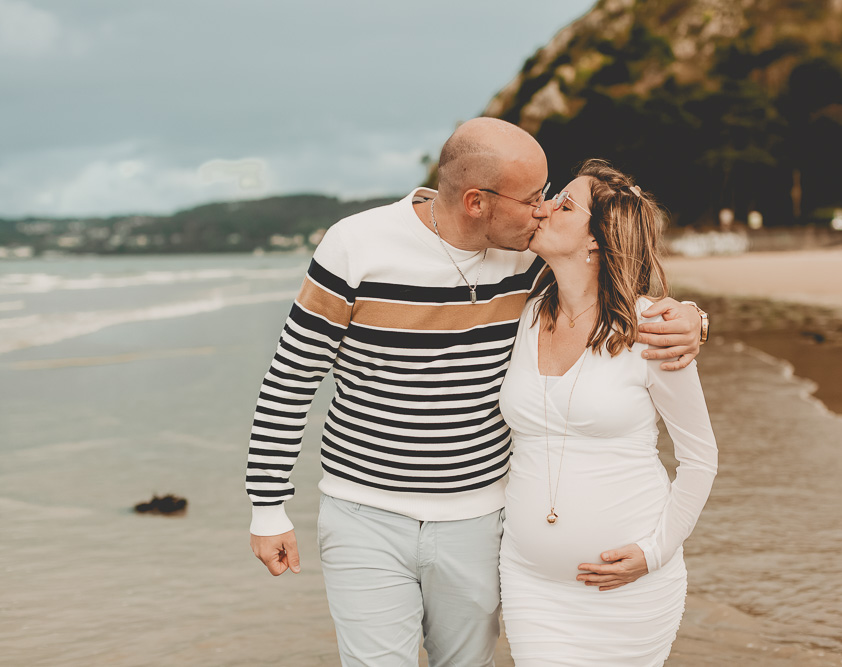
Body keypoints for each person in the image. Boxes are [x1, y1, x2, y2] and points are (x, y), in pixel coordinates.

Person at [246, 118, 707, 666]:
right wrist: (267, 506)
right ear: (476, 202)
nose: (542, 210)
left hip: (479, 521)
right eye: (534, 197)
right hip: (363, 512)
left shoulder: (526, 261)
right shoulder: (356, 245)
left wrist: (695, 321)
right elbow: (290, 380)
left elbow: (613, 281)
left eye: (551, 198)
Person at [498, 160, 718, 665]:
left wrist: (656, 551)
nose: (546, 207)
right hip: (531, 583)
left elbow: (700, 459)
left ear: (596, 241)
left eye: (565, 204)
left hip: (628, 591)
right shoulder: (525, 312)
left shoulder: (653, 328)